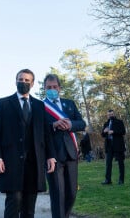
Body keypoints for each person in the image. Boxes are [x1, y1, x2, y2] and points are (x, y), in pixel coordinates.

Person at [0, 68, 56, 218]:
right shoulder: (4, 103)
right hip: (11, 162)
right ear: (15, 81)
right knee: (14, 202)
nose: (23, 82)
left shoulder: (40, 106)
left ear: (32, 84)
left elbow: (45, 134)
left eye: (27, 80)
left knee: (29, 207)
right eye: (20, 79)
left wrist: (51, 156)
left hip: (34, 163)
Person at [43, 73, 86, 218]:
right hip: (52, 156)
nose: (52, 89)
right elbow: (37, 130)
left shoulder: (70, 103)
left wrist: (71, 124)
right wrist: (53, 125)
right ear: (44, 88)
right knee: (57, 195)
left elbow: (82, 123)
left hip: (71, 154)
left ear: (59, 88)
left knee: (72, 193)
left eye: (55, 87)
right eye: (49, 87)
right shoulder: (40, 106)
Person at [101, 109, 126, 185]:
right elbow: (102, 135)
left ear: (114, 114)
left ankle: (121, 180)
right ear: (107, 115)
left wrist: (113, 132)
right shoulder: (106, 123)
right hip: (109, 146)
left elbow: (123, 132)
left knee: (120, 163)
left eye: (111, 114)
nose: (110, 116)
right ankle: (108, 180)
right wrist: (104, 132)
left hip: (118, 146)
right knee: (108, 163)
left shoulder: (119, 122)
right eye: (109, 115)